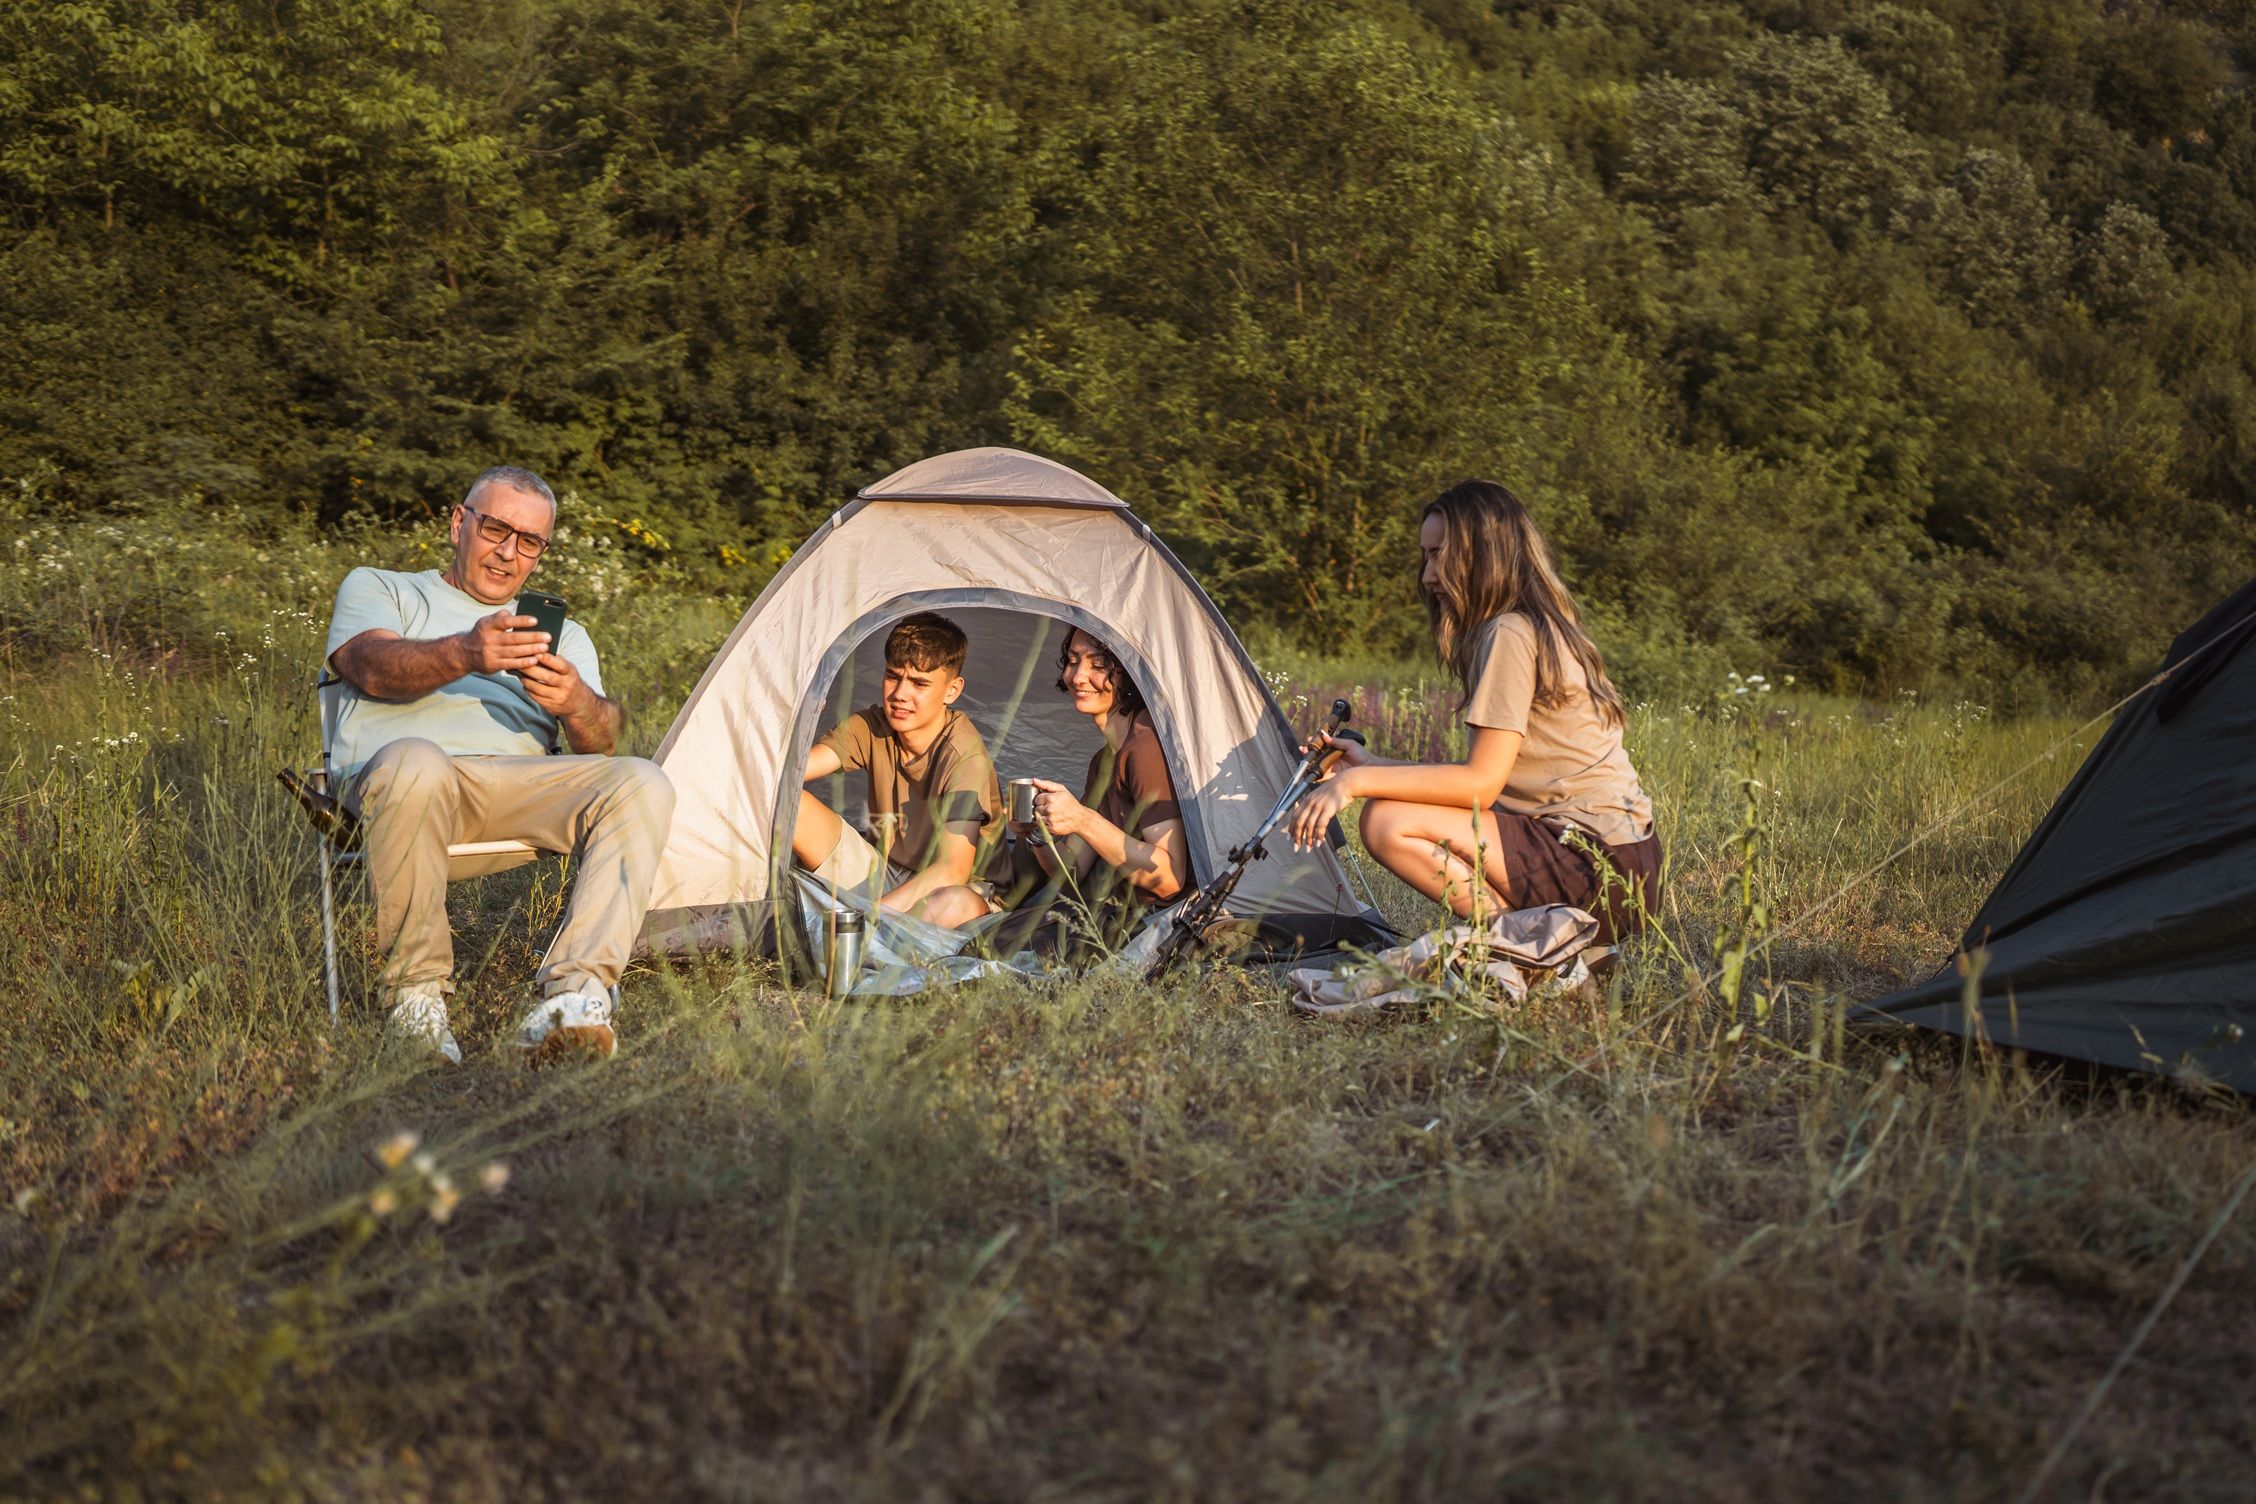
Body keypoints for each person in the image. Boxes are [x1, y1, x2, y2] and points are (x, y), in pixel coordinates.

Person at [325, 465, 676, 1064]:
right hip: (404, 784)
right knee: (417, 761)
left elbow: (601, 744)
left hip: (518, 790)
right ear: (460, 523)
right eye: (495, 529)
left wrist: (575, 703)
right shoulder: (383, 588)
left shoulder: (563, 636)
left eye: (529, 541)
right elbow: (368, 666)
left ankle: (574, 1000)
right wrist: (467, 651)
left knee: (642, 779)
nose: (508, 552)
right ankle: (417, 1003)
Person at [1288, 479, 1660, 945]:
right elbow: (1483, 780)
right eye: (1425, 556)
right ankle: (1547, 948)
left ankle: (1535, 947)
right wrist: (1369, 767)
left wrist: (1355, 785)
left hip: (1596, 866)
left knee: (1385, 822)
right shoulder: (1532, 625)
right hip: (1629, 866)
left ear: (1484, 553)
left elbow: (1480, 785)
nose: (1427, 575)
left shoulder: (1511, 633)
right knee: (1388, 808)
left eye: (1440, 554)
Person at [793, 612, 1006, 929]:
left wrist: (868, 918)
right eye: (893, 676)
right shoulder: (871, 727)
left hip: (954, 890)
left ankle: (860, 940)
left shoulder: (964, 755)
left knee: (955, 904)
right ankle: (867, 939)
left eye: (920, 683)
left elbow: (953, 870)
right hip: (885, 873)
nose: (900, 694)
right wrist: (797, 722)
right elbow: (787, 777)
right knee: (787, 803)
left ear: (952, 690)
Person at [1013, 628, 1187, 924]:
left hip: (1160, 924)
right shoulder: (1104, 760)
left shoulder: (1145, 747)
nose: (1078, 677)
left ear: (1128, 670)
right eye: (1072, 660)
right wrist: (1036, 833)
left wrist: (1082, 819)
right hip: (1116, 914)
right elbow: (1073, 874)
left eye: (1098, 664)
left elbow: (1169, 877)